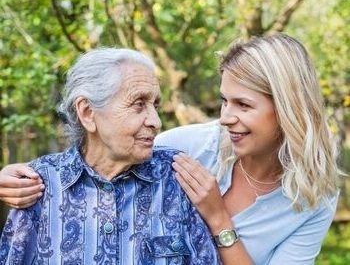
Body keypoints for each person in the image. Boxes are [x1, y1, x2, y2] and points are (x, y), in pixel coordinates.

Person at [0, 34, 340, 264]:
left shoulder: (316, 197)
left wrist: (219, 218)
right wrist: (14, 177)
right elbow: (101, 154)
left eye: (243, 105)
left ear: (287, 109)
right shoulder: (188, 147)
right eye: (224, 101)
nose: (225, 118)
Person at [0, 48, 222, 264]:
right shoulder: (39, 185)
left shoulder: (178, 177)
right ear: (87, 113)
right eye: (138, 104)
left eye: (155, 106)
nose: (156, 121)